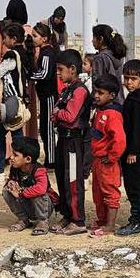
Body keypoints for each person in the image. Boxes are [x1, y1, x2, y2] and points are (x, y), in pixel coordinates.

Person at [51, 49, 91, 235]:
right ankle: (67, 214)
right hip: (63, 140)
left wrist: (58, 114)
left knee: (73, 181)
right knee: (62, 178)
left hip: (74, 142)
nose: (58, 73)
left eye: (61, 69)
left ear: (72, 69)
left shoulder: (80, 90)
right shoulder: (68, 89)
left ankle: (78, 219)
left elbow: (70, 115)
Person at [117, 60, 140, 235]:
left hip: (134, 153)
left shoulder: (139, 100)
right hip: (131, 150)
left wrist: (133, 151)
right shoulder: (136, 97)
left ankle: (138, 220)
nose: (129, 82)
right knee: (132, 187)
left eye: (133, 78)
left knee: (134, 187)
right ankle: (138, 219)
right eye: (127, 78)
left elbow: (139, 128)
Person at [88, 74, 126, 237]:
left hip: (107, 162)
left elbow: (120, 140)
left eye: (101, 92)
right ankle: (102, 220)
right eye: (96, 91)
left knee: (110, 191)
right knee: (98, 191)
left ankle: (110, 225)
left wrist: (111, 157)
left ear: (111, 95)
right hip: (98, 159)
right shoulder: (100, 110)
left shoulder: (112, 114)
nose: (96, 95)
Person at [0, 23, 30, 175]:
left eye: (5, 38)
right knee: (14, 133)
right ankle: (16, 167)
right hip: (19, 100)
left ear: (13, 39)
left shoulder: (11, 56)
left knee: (4, 134)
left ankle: (2, 168)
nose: (4, 42)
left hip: (12, 101)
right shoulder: (25, 53)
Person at [3, 136, 56, 234]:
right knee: (6, 190)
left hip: (43, 206)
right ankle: (23, 219)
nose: (11, 157)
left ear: (28, 159)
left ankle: (42, 221)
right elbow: (12, 180)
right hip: (27, 202)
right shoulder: (15, 168)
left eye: (15, 155)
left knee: (38, 192)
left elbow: (41, 189)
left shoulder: (38, 170)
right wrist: (11, 184)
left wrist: (21, 193)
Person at [28, 23, 59, 165]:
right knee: (45, 129)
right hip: (45, 96)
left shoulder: (47, 53)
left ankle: (52, 160)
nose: (33, 39)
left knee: (48, 129)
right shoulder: (44, 52)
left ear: (45, 38)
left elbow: (44, 74)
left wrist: (30, 75)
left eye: (35, 36)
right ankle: (50, 158)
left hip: (49, 97)